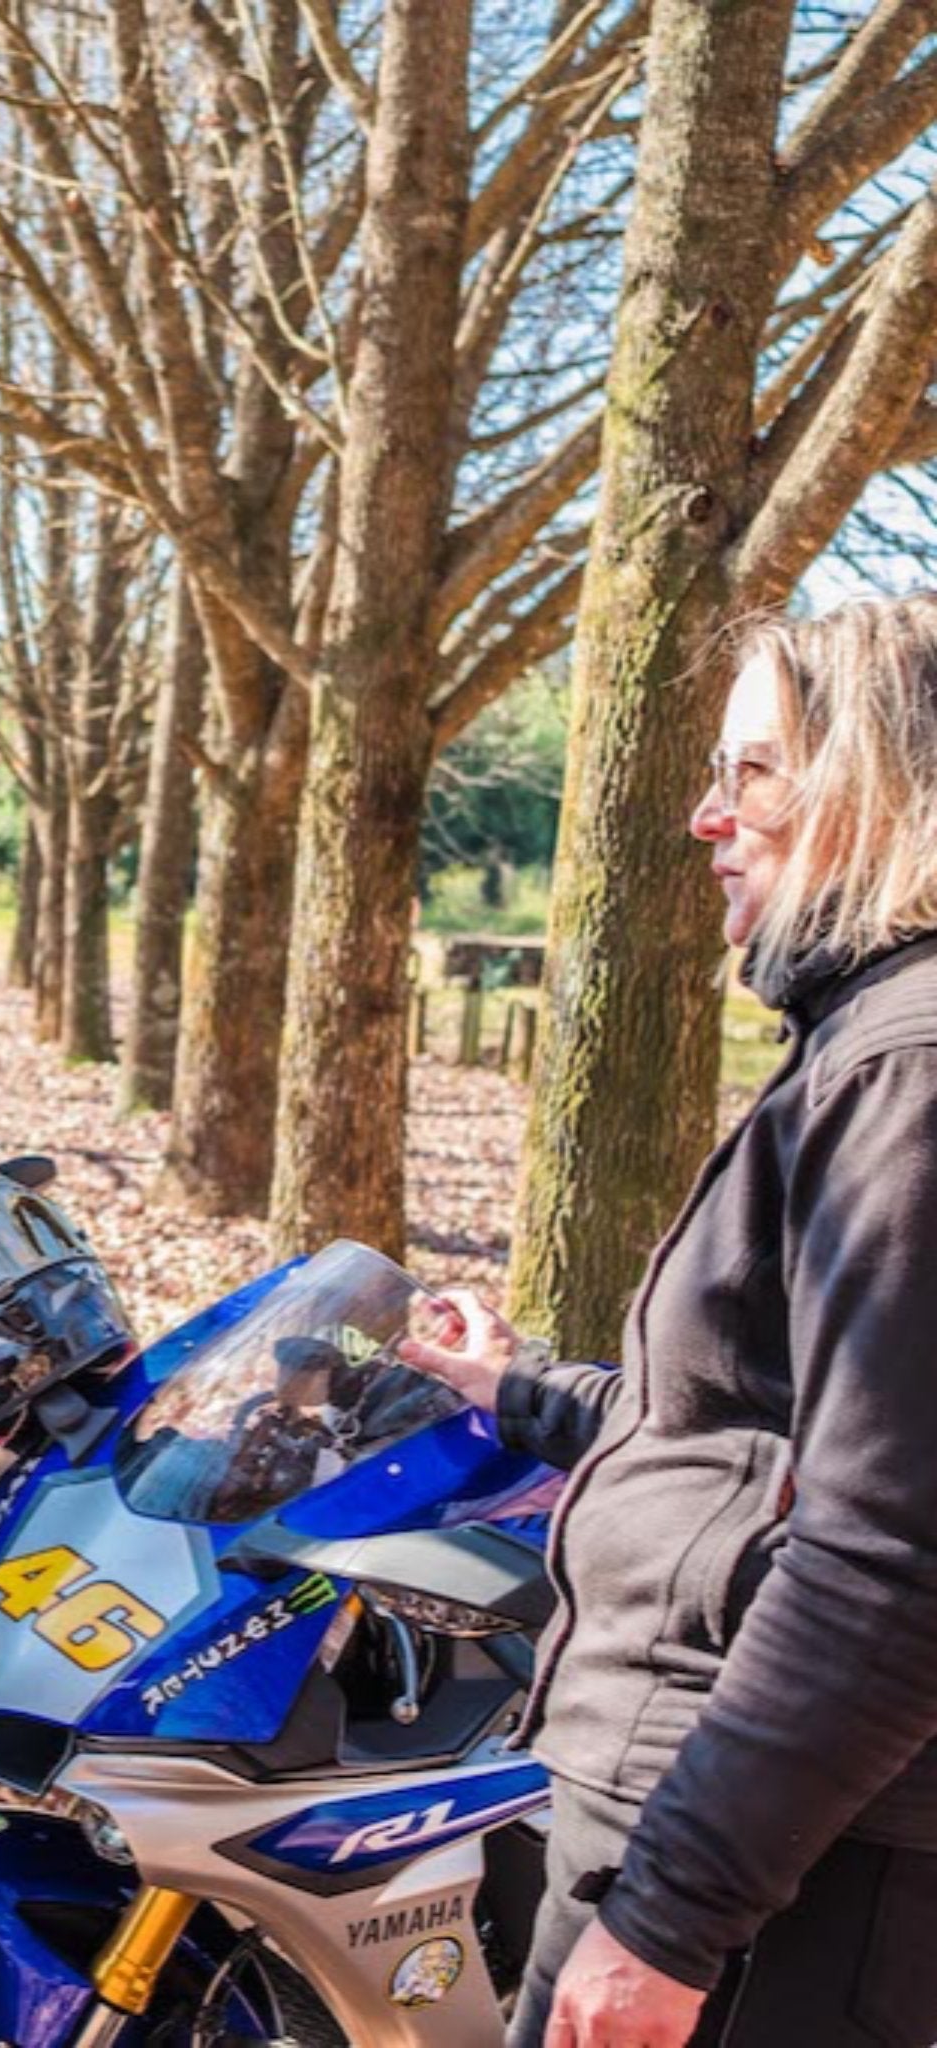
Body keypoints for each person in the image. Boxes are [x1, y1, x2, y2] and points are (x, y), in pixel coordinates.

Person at [401, 593, 937, 2048]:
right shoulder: (866, 1045)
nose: (708, 816)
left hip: (775, 1873)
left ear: (882, 779)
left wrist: (672, 1915)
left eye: (751, 771)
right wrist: (518, 1388)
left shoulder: (905, 1072)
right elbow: (763, 1437)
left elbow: (891, 1559)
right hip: (742, 1831)